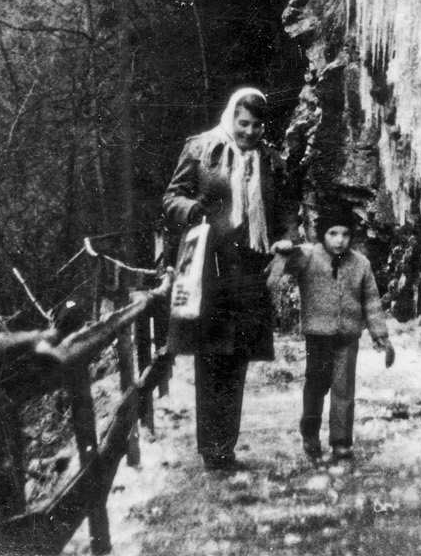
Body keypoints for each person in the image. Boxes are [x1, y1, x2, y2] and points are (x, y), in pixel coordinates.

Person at [162, 87, 299, 471]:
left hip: (250, 267)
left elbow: (286, 205)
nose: (249, 131)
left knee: (237, 357)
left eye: (257, 125)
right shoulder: (202, 149)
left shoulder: (272, 161)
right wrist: (192, 209)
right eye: (243, 123)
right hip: (211, 265)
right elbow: (171, 197)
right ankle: (212, 450)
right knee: (210, 357)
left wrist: (286, 237)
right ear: (231, 117)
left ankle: (227, 445)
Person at [271, 206, 394, 463]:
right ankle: (311, 435)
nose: (339, 240)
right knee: (316, 387)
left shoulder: (361, 264)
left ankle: (341, 442)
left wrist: (380, 335)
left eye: (346, 234)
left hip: (348, 337)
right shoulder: (307, 256)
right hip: (318, 337)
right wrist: (281, 251)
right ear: (321, 234)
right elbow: (277, 271)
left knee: (344, 391)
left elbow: (371, 301)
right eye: (333, 233)